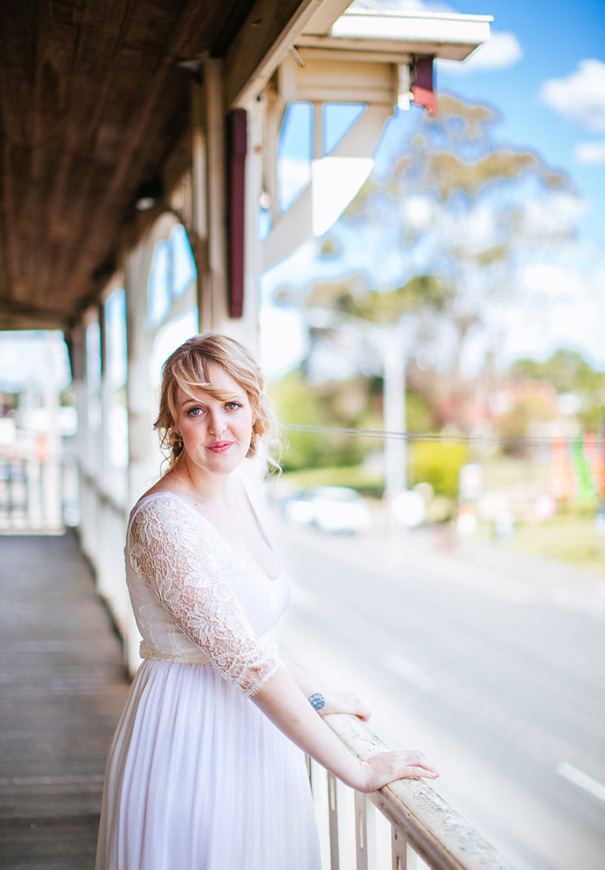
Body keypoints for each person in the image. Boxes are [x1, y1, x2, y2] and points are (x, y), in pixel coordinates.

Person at [95, 333, 439, 870]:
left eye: (231, 404)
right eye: (195, 410)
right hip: (191, 739)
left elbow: (259, 640)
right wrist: (360, 769)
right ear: (172, 421)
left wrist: (321, 699)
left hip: (260, 733)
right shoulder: (163, 520)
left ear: (254, 407)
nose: (217, 427)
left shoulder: (241, 492)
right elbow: (247, 660)